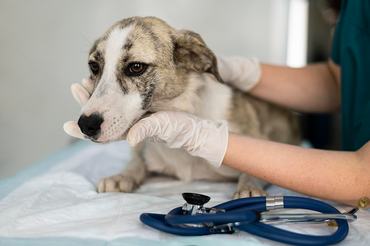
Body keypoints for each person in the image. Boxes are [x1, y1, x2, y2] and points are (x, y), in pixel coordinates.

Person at [64, 0, 370, 206]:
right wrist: (247, 71)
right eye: (96, 66)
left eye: (135, 68)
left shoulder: (229, 110)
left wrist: (210, 141)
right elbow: (340, 80)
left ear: (190, 58)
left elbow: (363, 177)